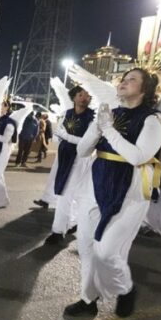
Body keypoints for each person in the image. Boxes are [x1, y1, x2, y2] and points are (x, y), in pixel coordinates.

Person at [64, 68, 161, 318]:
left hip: (130, 189)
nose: (123, 82)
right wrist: (97, 128)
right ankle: (88, 300)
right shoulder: (108, 113)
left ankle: (126, 289)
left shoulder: (154, 119)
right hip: (95, 183)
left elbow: (138, 156)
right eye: (123, 78)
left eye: (132, 80)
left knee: (107, 251)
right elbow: (83, 151)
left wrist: (108, 129)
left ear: (145, 89)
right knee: (87, 247)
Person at [43, 86, 94, 245]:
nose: (85, 97)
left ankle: (58, 231)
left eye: (87, 94)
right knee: (70, 193)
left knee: (66, 194)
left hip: (80, 159)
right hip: (64, 157)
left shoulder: (92, 117)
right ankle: (73, 221)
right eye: (81, 94)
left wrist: (66, 136)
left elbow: (88, 143)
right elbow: (58, 135)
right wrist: (61, 138)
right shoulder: (67, 113)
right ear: (74, 98)